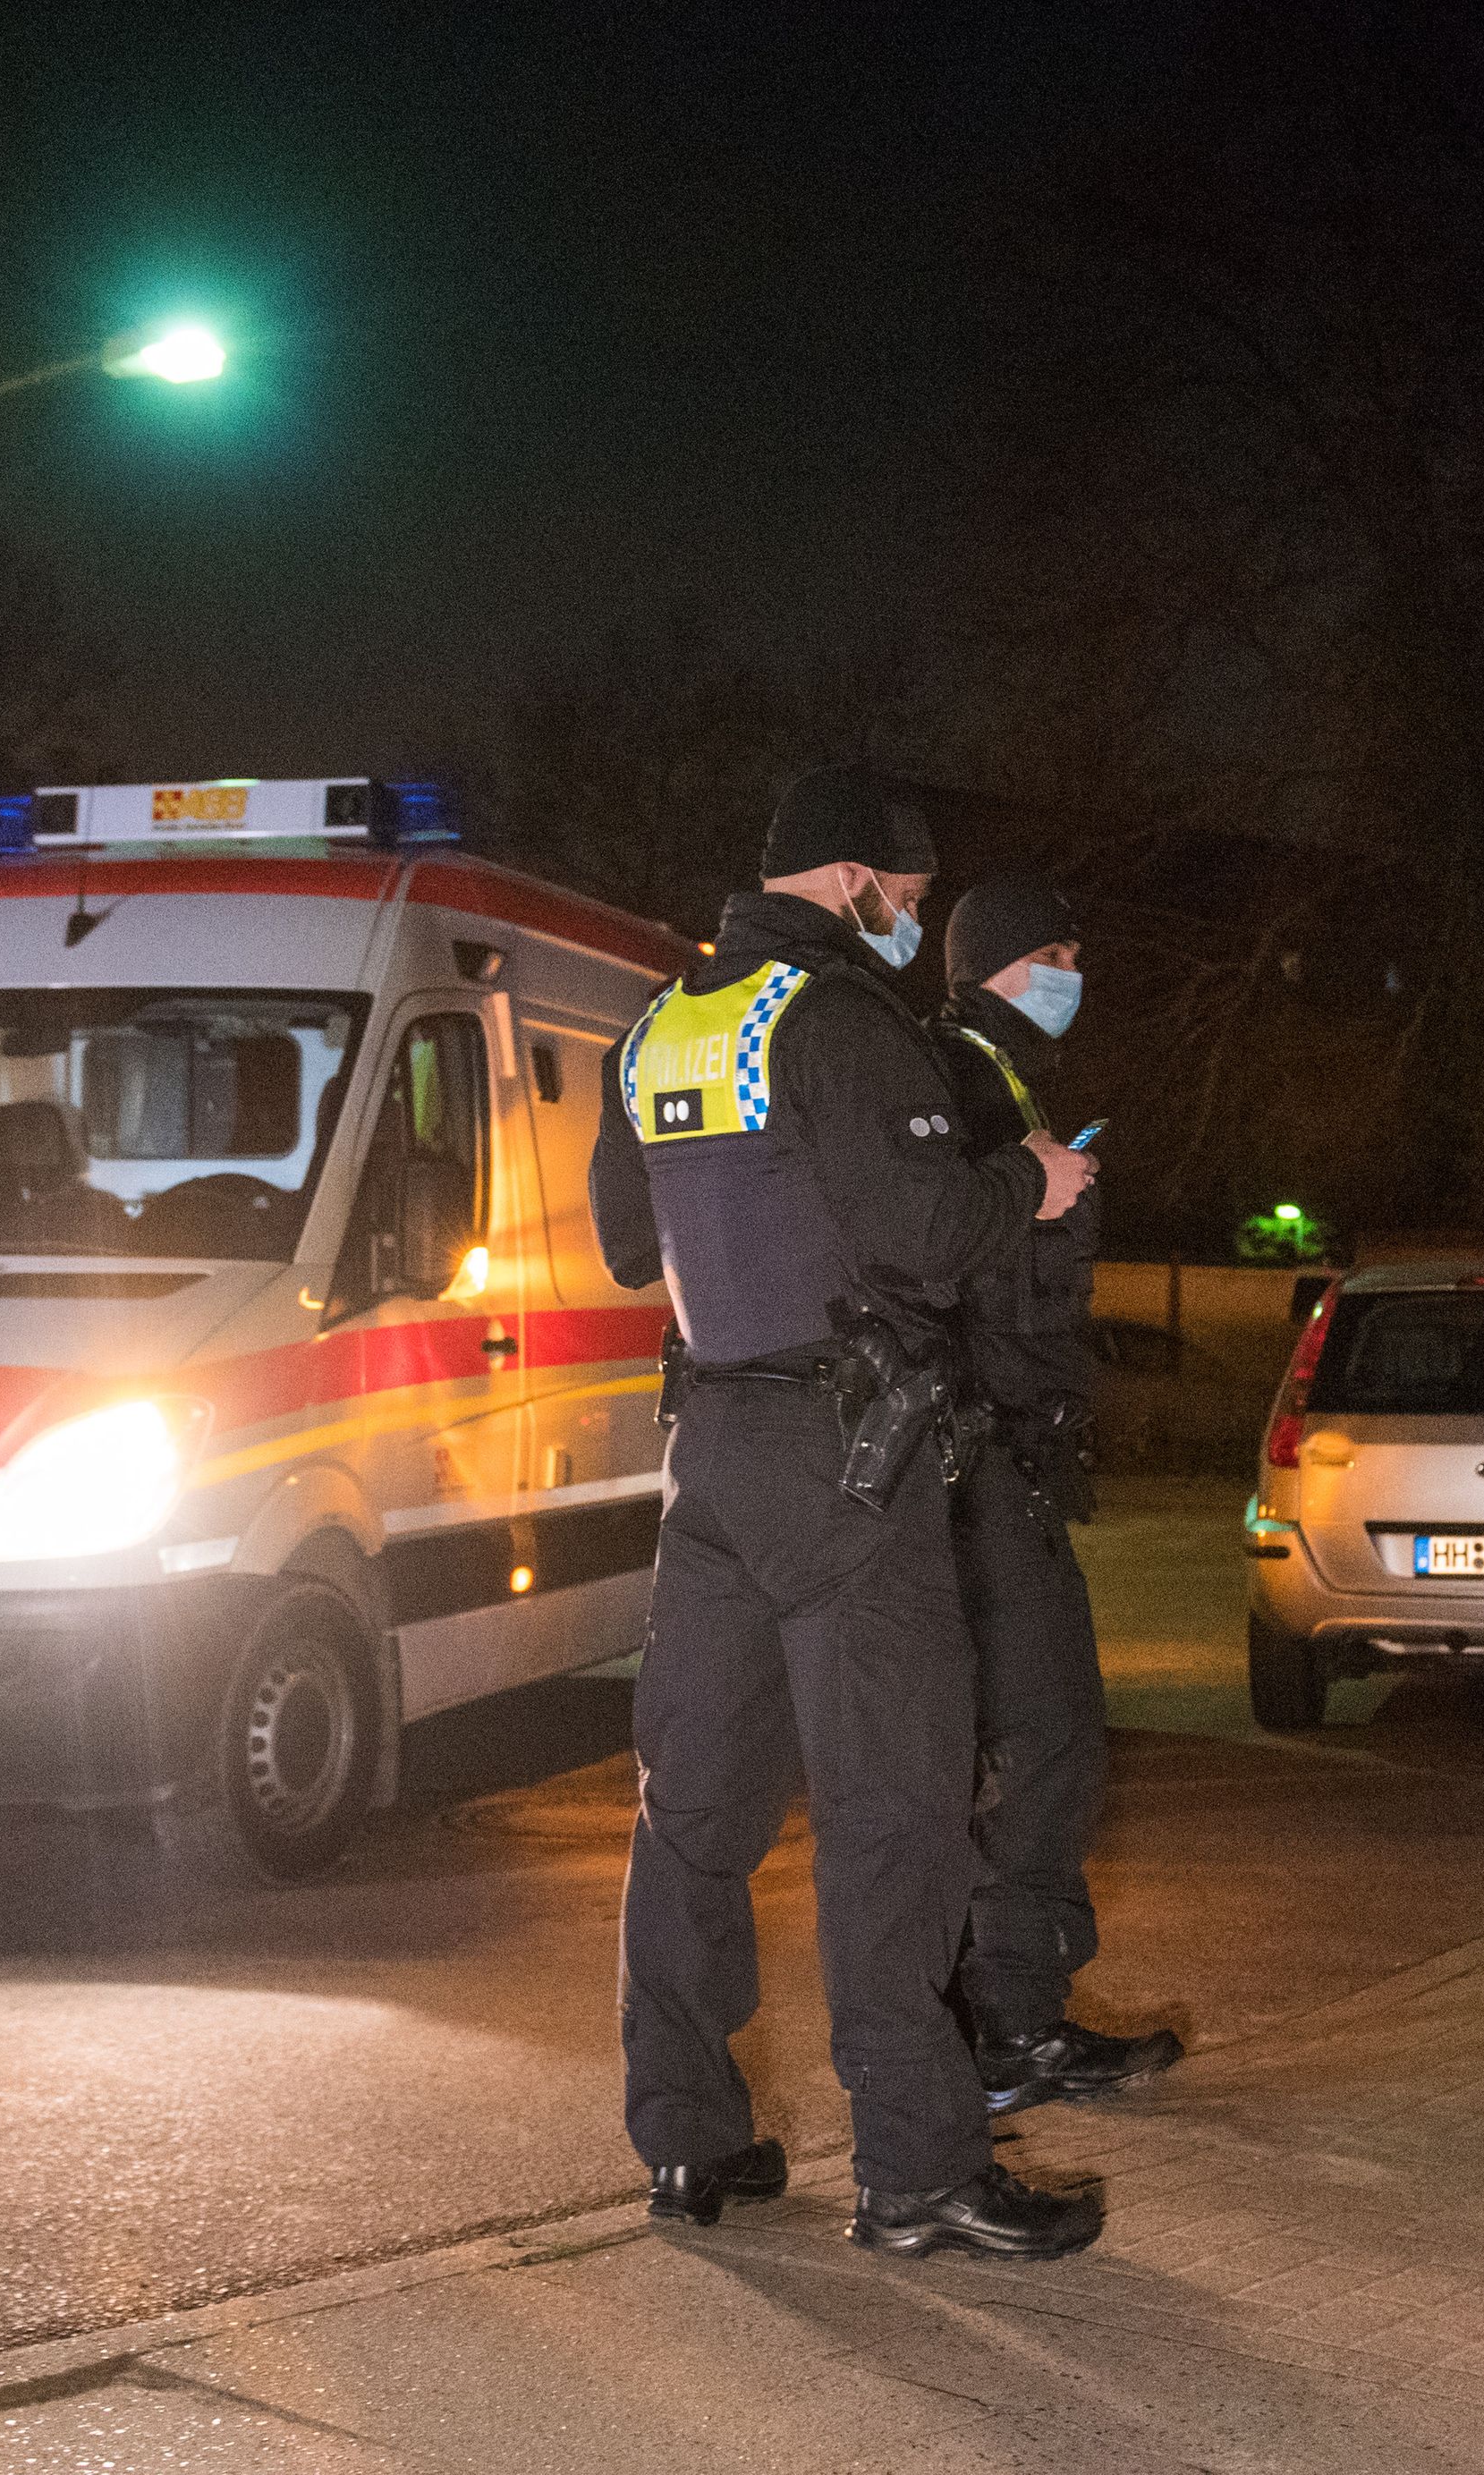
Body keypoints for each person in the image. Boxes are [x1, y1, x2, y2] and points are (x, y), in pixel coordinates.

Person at [590, 763, 1105, 2262]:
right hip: (851, 1457)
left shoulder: (663, 1024)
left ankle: (688, 2141)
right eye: (912, 892)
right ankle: (921, 2169)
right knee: (891, 1816)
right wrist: (1034, 1178)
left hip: (714, 1464)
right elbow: (930, 1232)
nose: (916, 915)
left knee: (692, 1813)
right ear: (846, 879)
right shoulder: (840, 1021)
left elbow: (633, 1245)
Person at [927, 876, 1187, 2116]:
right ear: (993, 963)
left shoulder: (1008, 1075)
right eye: (1054, 950)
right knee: (1039, 1738)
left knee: (1049, 1737)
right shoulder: (967, 1074)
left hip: (1010, 1450)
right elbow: (955, 1260)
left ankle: (1019, 2012)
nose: (1073, 968)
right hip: (982, 1455)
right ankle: (1005, 2027)